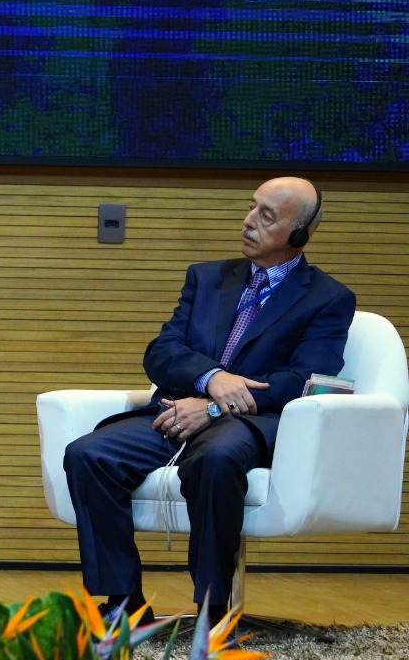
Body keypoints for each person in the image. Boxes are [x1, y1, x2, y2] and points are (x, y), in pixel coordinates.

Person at [64, 177, 355, 625]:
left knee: (215, 458)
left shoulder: (328, 298)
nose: (249, 221)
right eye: (252, 207)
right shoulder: (206, 278)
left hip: (249, 425)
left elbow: (304, 380)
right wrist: (212, 379)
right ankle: (124, 604)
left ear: (298, 234)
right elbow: (161, 352)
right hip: (177, 410)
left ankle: (213, 612)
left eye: (266, 216)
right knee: (88, 454)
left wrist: (217, 408)